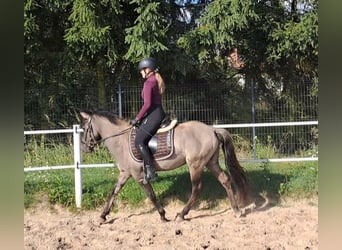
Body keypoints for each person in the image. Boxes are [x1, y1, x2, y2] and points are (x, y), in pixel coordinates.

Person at [131, 57, 166, 182]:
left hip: (154, 114)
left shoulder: (149, 83)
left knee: (139, 141)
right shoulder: (154, 80)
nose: (141, 73)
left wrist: (137, 118)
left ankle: (150, 171)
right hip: (156, 113)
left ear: (148, 70)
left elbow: (147, 104)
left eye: (142, 70)